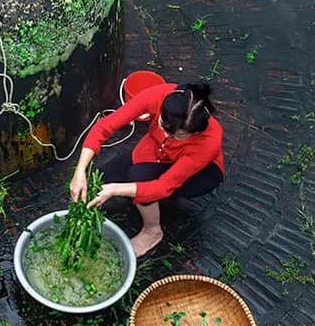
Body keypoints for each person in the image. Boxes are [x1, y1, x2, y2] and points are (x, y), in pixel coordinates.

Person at [69, 79, 224, 258]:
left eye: (177, 135)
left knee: (139, 178)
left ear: (195, 132)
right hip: (156, 152)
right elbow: (105, 125)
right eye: (163, 125)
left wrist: (116, 190)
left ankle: (152, 231)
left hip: (199, 174)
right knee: (104, 176)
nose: (167, 135)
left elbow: (163, 186)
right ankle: (144, 198)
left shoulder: (208, 141)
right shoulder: (159, 95)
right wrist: (80, 170)